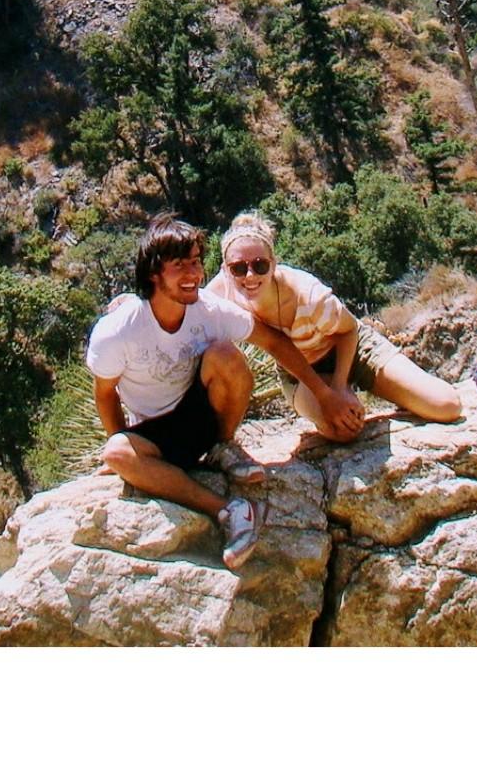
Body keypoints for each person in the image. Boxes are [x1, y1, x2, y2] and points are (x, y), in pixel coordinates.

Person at [87, 214, 355, 570]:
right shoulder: (119, 330)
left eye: (197, 262)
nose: (194, 275)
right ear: (153, 273)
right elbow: (105, 393)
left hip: (200, 421)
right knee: (117, 453)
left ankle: (222, 447)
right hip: (153, 432)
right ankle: (228, 510)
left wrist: (323, 393)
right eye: (180, 265)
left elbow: (273, 341)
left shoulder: (208, 310)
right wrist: (128, 451)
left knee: (225, 355)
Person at [201, 210, 463, 439]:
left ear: (274, 264)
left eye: (259, 265)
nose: (249, 276)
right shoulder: (220, 295)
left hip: (353, 349)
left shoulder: (308, 294)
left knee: (447, 406)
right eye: (238, 268)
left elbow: (348, 330)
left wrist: (338, 387)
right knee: (343, 429)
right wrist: (326, 397)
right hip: (300, 371)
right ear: (225, 269)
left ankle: (394, 393)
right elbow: (193, 324)